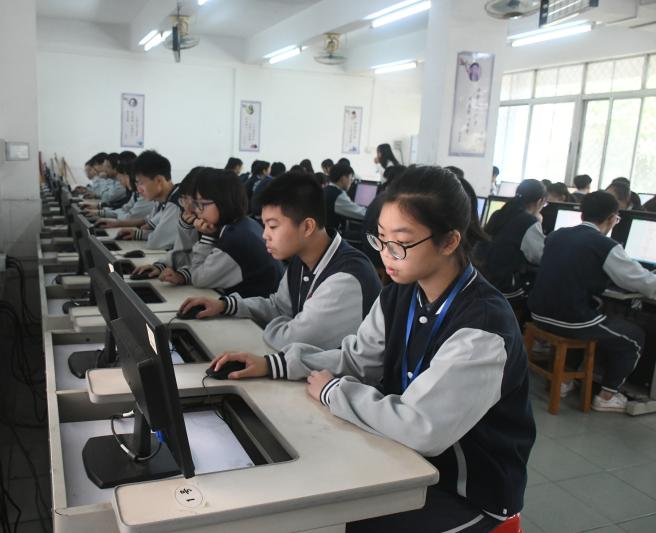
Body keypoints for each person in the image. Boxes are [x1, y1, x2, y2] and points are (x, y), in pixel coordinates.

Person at [208, 166, 535, 531]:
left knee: (336, 521)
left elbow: (422, 427)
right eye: (380, 240)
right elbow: (357, 358)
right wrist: (275, 365)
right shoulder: (400, 293)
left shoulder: (483, 329)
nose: (385, 256)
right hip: (402, 457)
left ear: (449, 242)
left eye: (400, 244)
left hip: (467, 492)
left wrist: (334, 391)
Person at [179, 172, 381, 350]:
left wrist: (284, 324)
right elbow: (279, 307)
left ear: (307, 227)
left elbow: (292, 340)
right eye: (265, 225)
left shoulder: (345, 278)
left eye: (273, 226)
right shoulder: (302, 259)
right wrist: (225, 305)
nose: (264, 235)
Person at [528, 191, 656, 411]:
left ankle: (565, 380)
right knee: (635, 336)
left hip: (539, 314)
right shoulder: (604, 245)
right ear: (611, 218)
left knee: (591, 316)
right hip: (571, 320)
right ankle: (607, 396)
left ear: (582, 214)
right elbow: (641, 281)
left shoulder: (558, 235)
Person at [151, 169, 282, 297]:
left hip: (255, 309)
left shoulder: (234, 240)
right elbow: (209, 263)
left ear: (223, 202)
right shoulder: (241, 223)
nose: (197, 210)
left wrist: (206, 238)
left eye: (202, 204)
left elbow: (198, 278)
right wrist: (183, 275)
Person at [481, 179, 546, 300]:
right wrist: (538, 222)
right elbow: (540, 256)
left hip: (484, 279)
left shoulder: (498, 214)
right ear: (539, 201)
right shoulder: (528, 221)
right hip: (505, 286)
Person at [109, 150, 181, 250]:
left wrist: (140, 234)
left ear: (159, 180)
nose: (138, 190)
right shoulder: (163, 199)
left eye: (141, 183)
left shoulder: (177, 202)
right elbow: (148, 224)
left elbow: (155, 243)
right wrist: (137, 233)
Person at [323, 163, 365, 235]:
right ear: (343, 178)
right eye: (350, 178)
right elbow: (361, 213)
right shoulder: (338, 195)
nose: (351, 181)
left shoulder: (326, 189)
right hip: (330, 236)